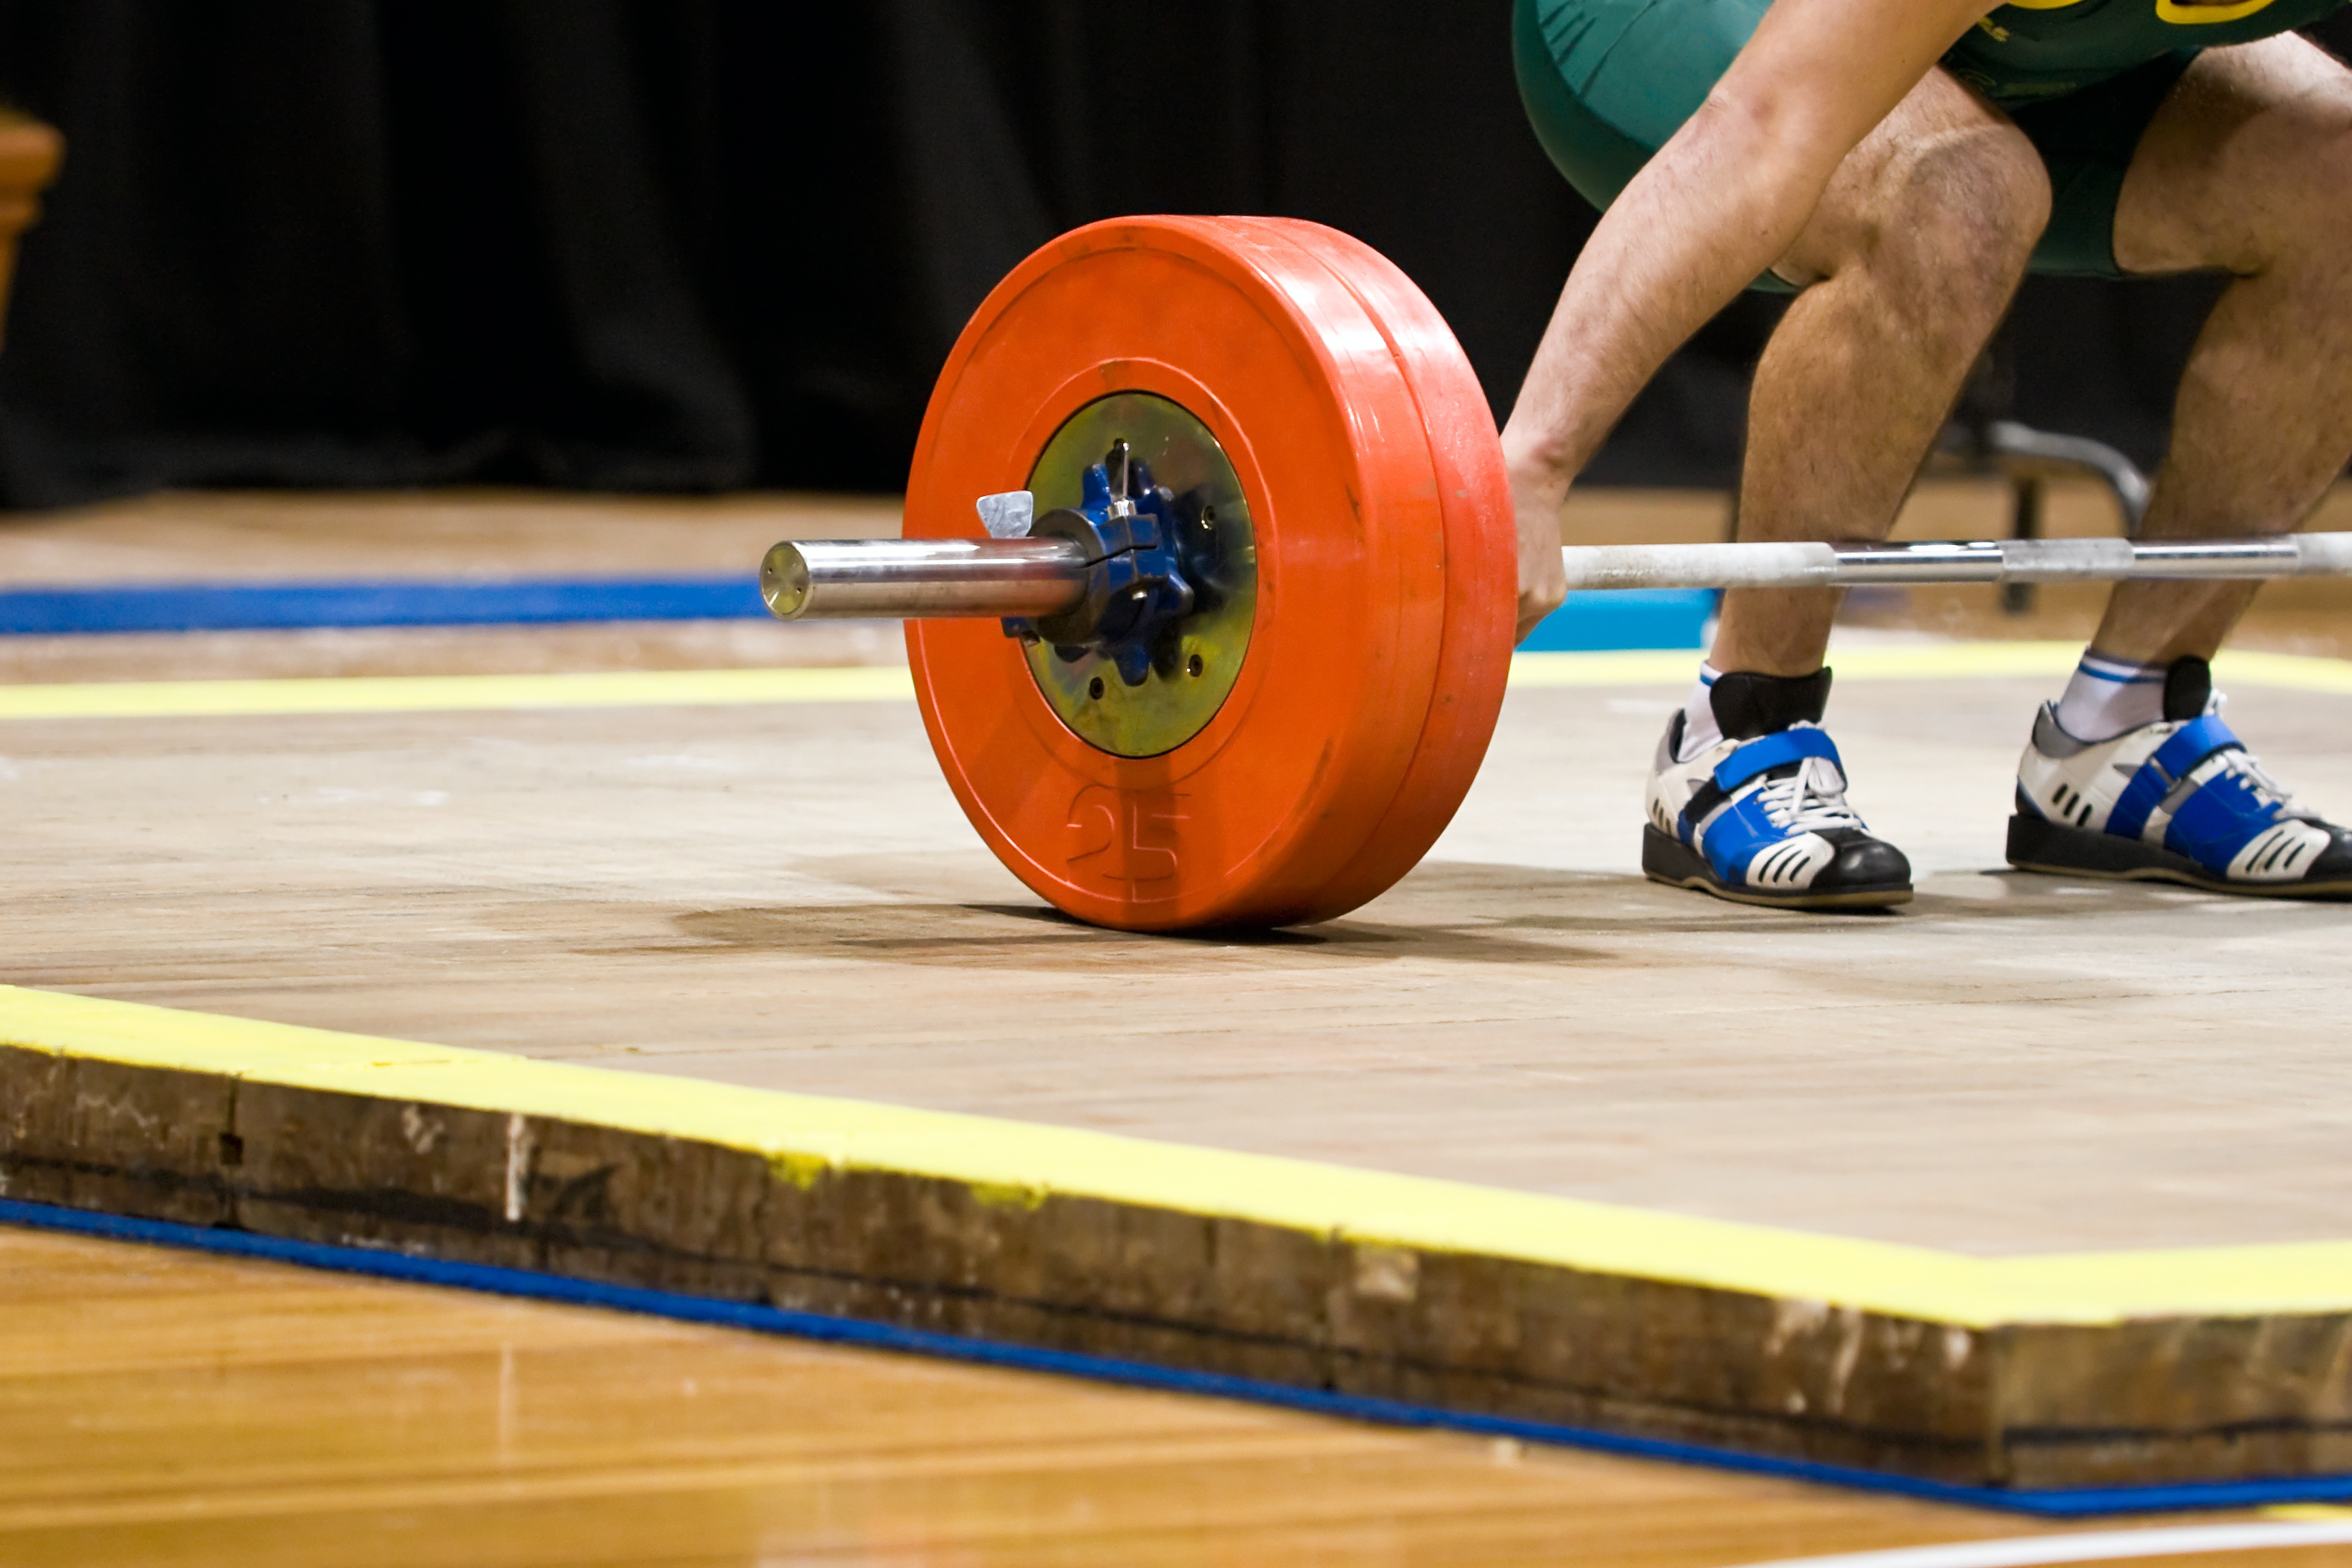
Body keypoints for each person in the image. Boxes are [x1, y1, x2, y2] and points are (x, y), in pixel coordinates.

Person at [1506, 0, 2352, 907]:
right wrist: (1531, 467)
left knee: (2335, 169)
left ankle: (2124, 728)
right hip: (1678, 21)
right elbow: (1761, 120)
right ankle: (1738, 727)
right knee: (1951, 190)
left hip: (2011, 46)